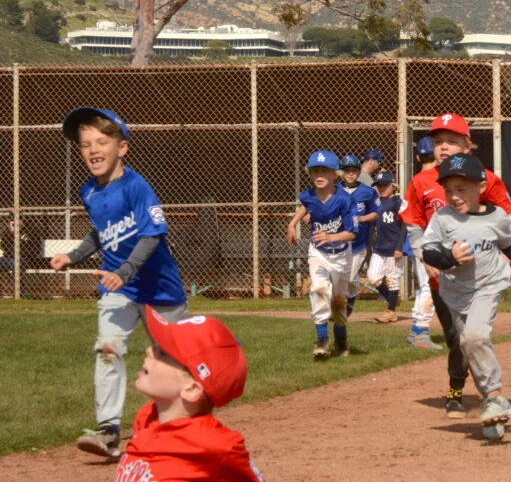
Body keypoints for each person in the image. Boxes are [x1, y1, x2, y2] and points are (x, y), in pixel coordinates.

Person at [49, 107, 189, 458]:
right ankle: (109, 432)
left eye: (101, 141)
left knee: (171, 359)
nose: (93, 149)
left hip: (159, 289)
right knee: (108, 349)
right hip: (119, 288)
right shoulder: (89, 192)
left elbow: (152, 234)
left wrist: (124, 271)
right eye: (84, 144)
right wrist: (74, 254)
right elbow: (101, 232)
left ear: (122, 148)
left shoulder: (136, 186)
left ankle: (181, 428)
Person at [421, 153, 511, 440]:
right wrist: (449, 256)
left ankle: (493, 395)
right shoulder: (442, 218)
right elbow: (428, 252)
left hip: (489, 285)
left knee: (474, 337)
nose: (454, 196)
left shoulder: (498, 217)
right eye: (449, 189)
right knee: (469, 344)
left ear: (481, 187)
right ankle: (493, 409)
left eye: (462, 188)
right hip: (455, 292)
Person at [399, 113, 511, 417]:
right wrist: (425, 257)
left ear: (468, 144)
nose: (444, 147)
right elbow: (413, 223)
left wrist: (506, 250)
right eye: (438, 142)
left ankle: (487, 395)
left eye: (452, 141)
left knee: (471, 336)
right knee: (456, 337)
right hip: (442, 274)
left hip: (479, 276)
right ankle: (460, 389)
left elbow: (508, 215)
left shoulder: (486, 179)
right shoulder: (421, 182)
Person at [117, 306, 263, 481]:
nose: (149, 350)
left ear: (191, 390)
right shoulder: (146, 417)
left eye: (162, 353)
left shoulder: (218, 446)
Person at [286, 150, 357, 359]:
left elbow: (352, 233)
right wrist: (292, 223)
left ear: (335, 175)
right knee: (318, 289)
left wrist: (330, 237)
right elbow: (306, 205)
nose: (319, 174)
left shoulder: (344, 199)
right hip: (318, 251)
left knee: (337, 300)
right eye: (315, 170)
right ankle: (322, 341)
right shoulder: (308, 194)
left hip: (341, 254)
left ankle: (341, 337)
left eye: (325, 171)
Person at [404, 136, 443, 350]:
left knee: (430, 288)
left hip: (446, 245)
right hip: (428, 244)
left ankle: (416, 331)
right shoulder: (421, 182)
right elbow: (411, 219)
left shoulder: (447, 178)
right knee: (429, 288)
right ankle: (420, 332)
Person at [338, 153, 382, 316]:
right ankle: (338, 307)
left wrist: (361, 218)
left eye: (354, 170)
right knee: (337, 277)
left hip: (358, 242)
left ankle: (349, 301)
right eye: (346, 170)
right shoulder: (335, 190)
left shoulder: (368, 192)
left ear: (359, 172)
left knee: (350, 277)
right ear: (341, 172)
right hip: (337, 242)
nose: (350, 173)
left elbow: (376, 213)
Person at [366, 171, 406, 324]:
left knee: (392, 279)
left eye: (385, 185)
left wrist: (400, 247)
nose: (381, 188)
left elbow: (404, 226)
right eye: (379, 186)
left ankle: (391, 311)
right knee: (373, 277)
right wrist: (369, 250)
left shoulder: (398, 203)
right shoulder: (377, 204)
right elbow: (372, 228)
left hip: (393, 248)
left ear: (393, 186)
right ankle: (392, 298)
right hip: (379, 248)